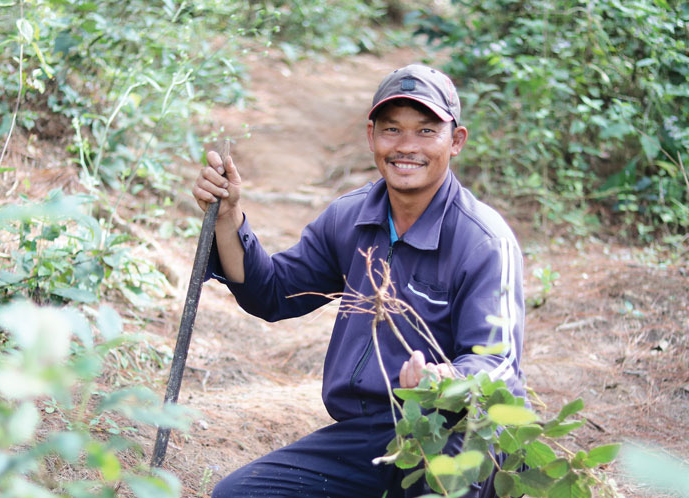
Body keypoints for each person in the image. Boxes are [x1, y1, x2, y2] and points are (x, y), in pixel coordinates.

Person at [192, 64, 525, 498]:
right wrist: (228, 216)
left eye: (426, 131)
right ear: (372, 137)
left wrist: (444, 382)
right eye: (392, 130)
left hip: (459, 435)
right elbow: (271, 294)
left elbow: (499, 367)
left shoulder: (484, 240)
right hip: (370, 435)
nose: (406, 147)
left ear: (455, 140)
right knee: (238, 495)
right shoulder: (349, 219)